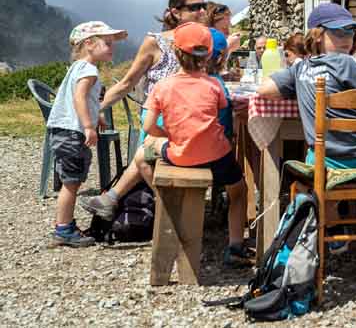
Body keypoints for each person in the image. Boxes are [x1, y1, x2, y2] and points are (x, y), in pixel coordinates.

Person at [83, 22, 252, 267]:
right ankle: (235, 246)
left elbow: (150, 126)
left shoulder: (163, 86)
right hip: (217, 157)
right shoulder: (216, 84)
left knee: (144, 153)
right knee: (239, 191)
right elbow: (221, 116)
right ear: (209, 55)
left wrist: (170, 136)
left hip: (178, 154)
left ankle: (164, 202)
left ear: (175, 52)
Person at [258, 3, 356, 254]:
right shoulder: (348, 64)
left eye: (350, 32)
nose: (346, 38)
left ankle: (334, 229)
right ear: (317, 36)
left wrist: (298, 88)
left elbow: (264, 90)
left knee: (324, 171)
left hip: (323, 162)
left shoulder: (299, 68)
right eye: (338, 33)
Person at [47, 22, 127, 247]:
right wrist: (88, 127)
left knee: (69, 181)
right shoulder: (90, 70)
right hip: (73, 132)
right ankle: (63, 230)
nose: (113, 48)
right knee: (71, 184)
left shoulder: (78, 66)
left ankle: (65, 225)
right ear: (89, 44)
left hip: (62, 130)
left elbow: (83, 99)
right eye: (108, 43)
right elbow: (79, 97)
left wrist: (96, 115)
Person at [98, 0, 208, 143]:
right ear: (176, 12)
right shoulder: (156, 42)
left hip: (195, 118)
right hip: (160, 120)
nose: (203, 11)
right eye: (195, 7)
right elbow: (127, 83)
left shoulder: (206, 39)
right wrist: (95, 110)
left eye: (204, 6)